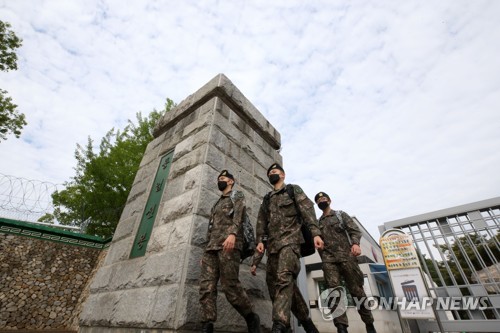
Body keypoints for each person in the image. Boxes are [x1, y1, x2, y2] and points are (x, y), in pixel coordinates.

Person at [256, 163, 324, 333]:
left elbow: (308, 210)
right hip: (273, 248)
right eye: (270, 172)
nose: (272, 173)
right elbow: (261, 223)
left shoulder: (293, 190)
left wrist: (316, 233)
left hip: (291, 243)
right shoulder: (267, 199)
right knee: (278, 287)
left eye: (275, 171)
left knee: (284, 278)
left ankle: (279, 325)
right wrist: (260, 244)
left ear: (283, 175)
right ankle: (307, 322)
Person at [199, 170, 261, 333]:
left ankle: (251, 316)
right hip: (211, 248)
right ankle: (207, 324)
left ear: (231, 181)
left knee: (230, 286)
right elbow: (211, 228)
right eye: (219, 178)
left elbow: (239, 216)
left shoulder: (237, 196)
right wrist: (205, 250)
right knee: (206, 287)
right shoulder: (216, 204)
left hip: (229, 245)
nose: (220, 180)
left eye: (223, 178)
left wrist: (233, 234)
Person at [314, 191, 377, 333]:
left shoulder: (340, 215)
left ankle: (369, 323)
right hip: (329, 261)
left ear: (330, 200)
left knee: (357, 291)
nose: (321, 201)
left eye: (324, 199)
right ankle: (341, 327)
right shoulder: (318, 223)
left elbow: (354, 230)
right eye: (318, 201)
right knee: (334, 293)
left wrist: (355, 244)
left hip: (347, 258)